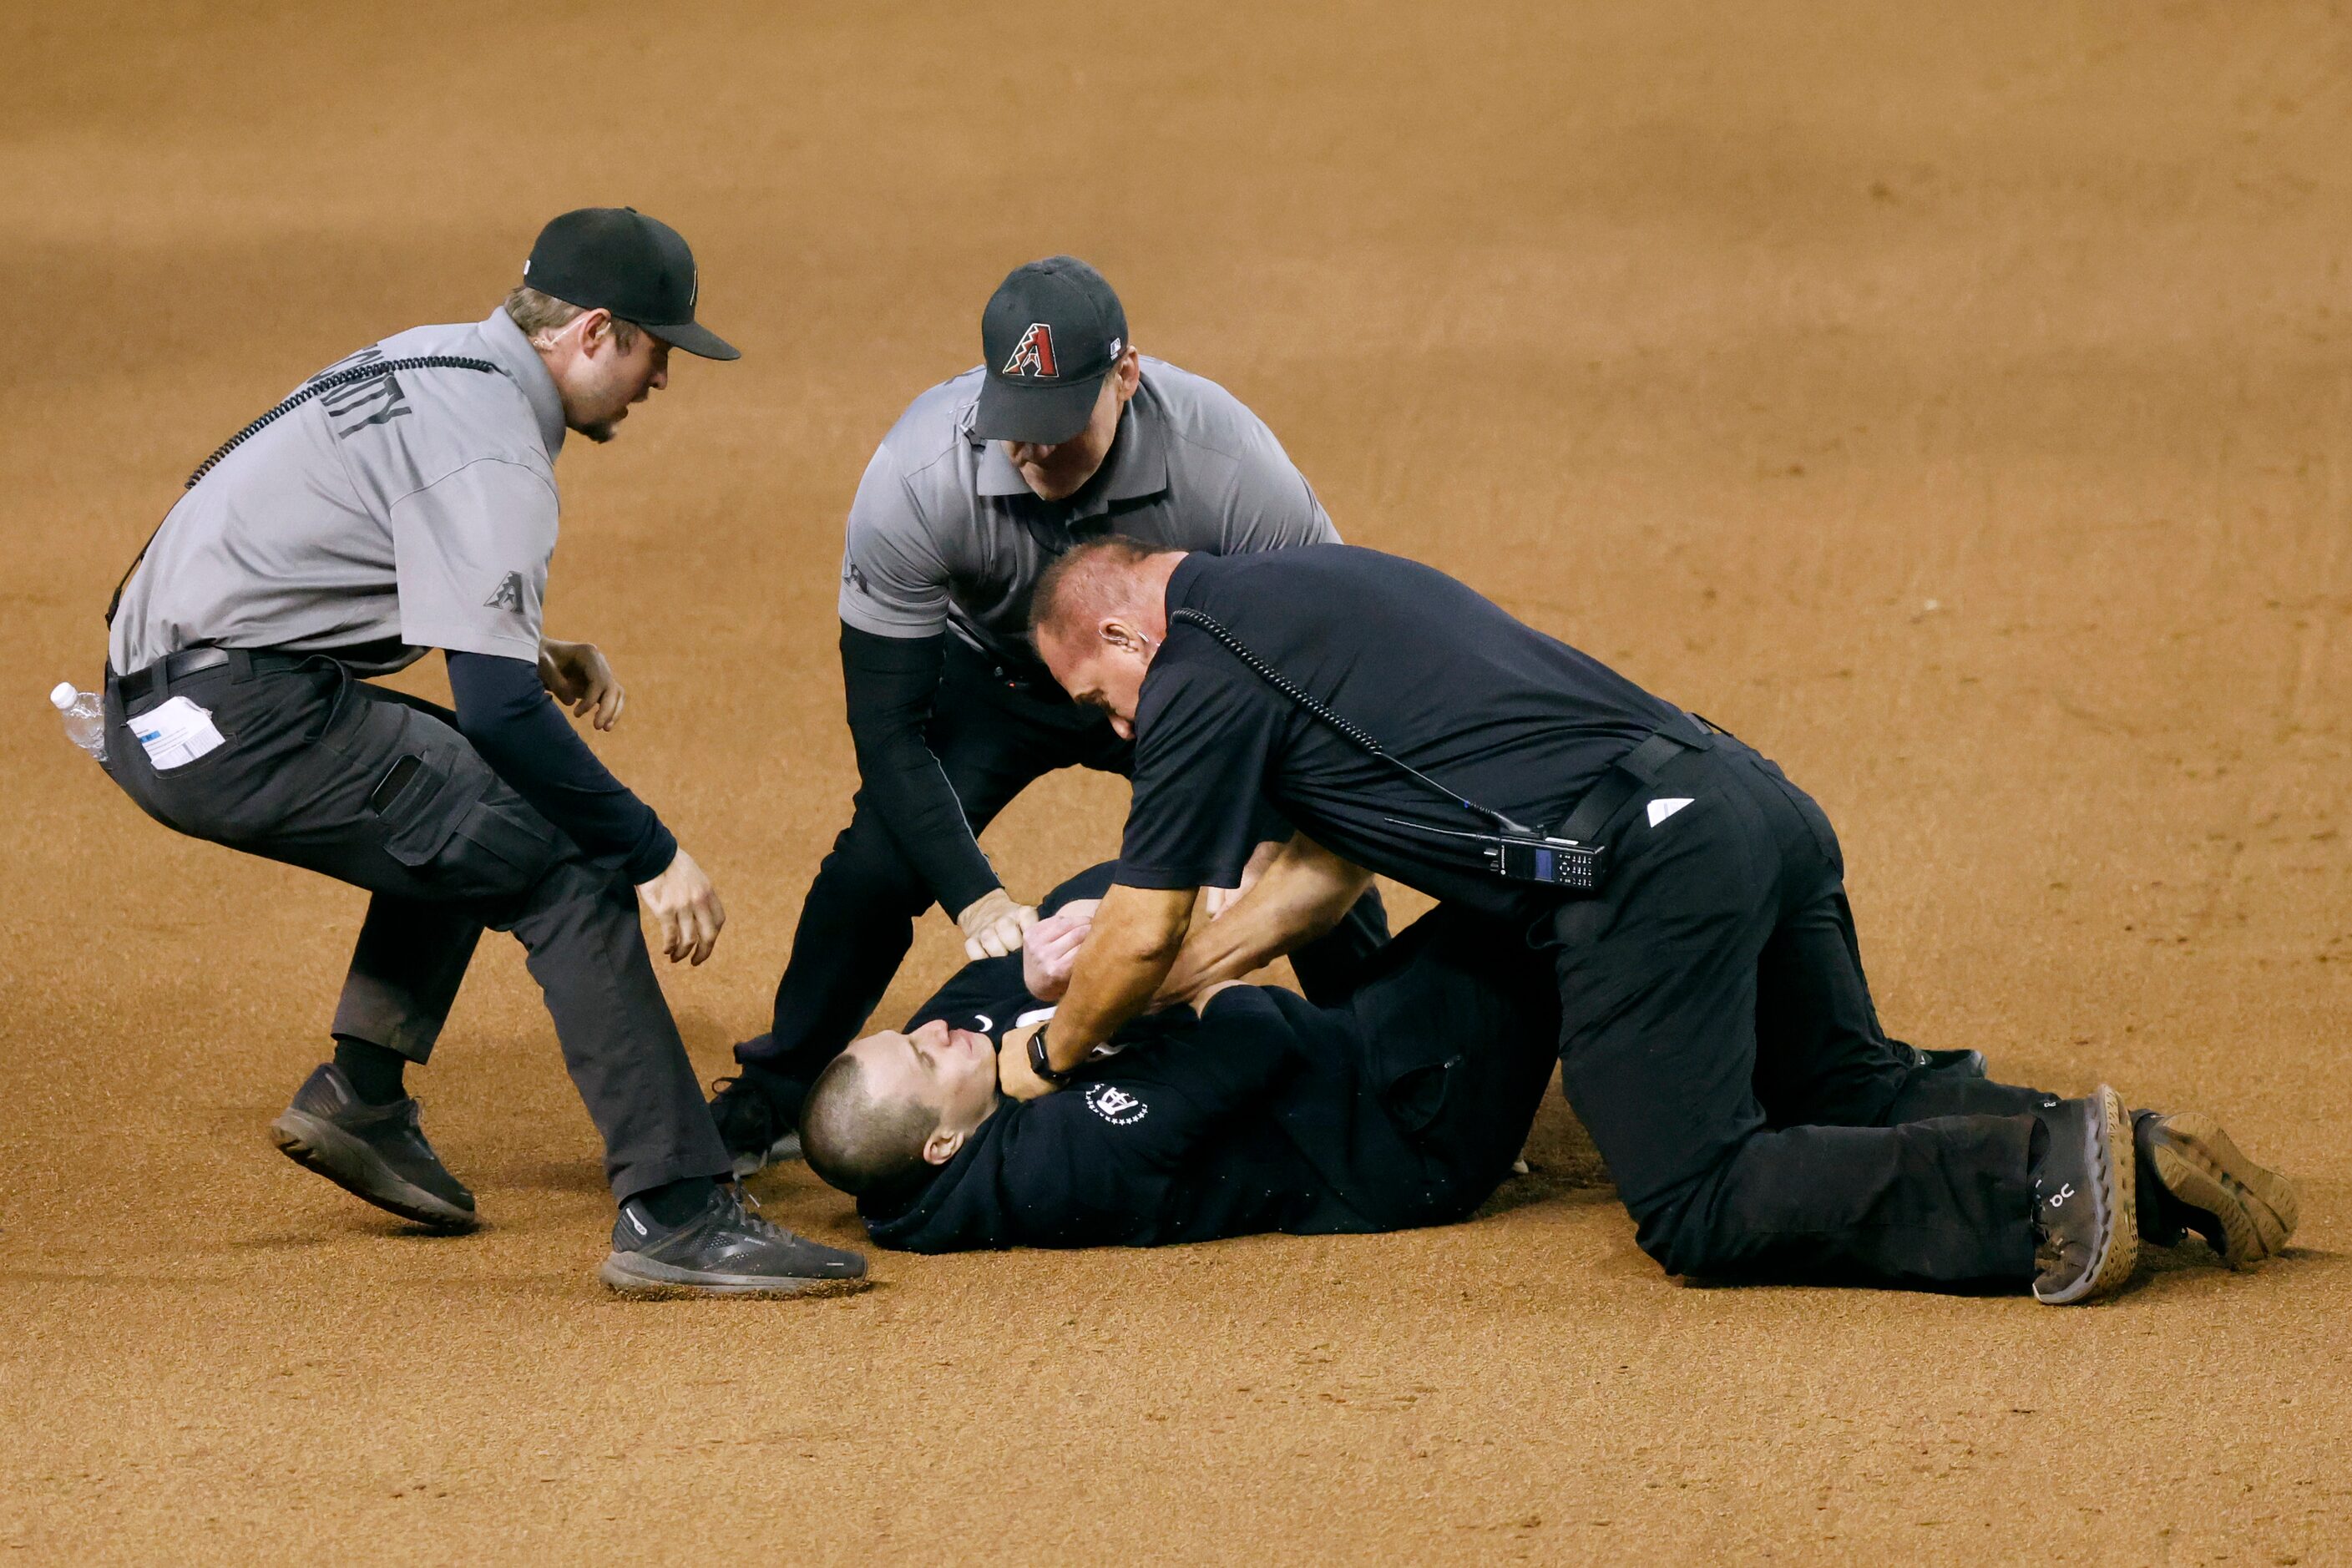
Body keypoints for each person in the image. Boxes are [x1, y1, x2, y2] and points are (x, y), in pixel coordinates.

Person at [1011, 538, 2299, 1301]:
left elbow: (1133, 926)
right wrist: (1198, 968)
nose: (1118, 725)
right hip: (1743, 798)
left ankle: (2035, 1188)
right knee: (1839, 1082)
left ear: (1127, 625)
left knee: (1696, 1197)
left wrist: (1051, 1052)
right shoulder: (1311, 587)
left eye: (1100, 692)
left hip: (1639, 867)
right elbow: (1329, 864)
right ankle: (2124, 1153)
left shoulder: (1195, 667)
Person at [99, 208, 865, 1297]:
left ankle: (360, 1097)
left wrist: (521, 641)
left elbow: (315, 519)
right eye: (656, 349)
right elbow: (505, 717)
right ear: (594, 332)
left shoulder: (436, 354)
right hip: (231, 714)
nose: (661, 380)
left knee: (461, 800)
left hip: (171, 693)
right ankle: (680, 1209)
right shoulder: (498, 440)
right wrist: (649, 849)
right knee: (564, 851)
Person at [711, 255, 1379, 1175]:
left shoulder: (1226, 463)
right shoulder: (918, 476)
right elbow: (888, 728)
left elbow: (1329, 645)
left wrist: (1268, 827)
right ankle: (779, 1089)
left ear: (1126, 376)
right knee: (874, 865)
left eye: (1056, 429)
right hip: (997, 685)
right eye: (1013, 428)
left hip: (1173, 686)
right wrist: (972, 891)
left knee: (1317, 831)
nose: (1029, 454)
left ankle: (1390, 1069)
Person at [797, 863, 1560, 1251]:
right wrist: (1168, 981)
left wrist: (1055, 964)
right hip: (1399, 1136)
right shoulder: (1049, 1168)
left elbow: (1094, 896)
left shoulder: (949, 1085)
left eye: (908, 1034)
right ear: (943, 1145)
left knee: (1504, 880)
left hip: (1340, 1059)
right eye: (926, 1059)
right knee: (1546, 902)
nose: (935, 1032)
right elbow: (1254, 1037)